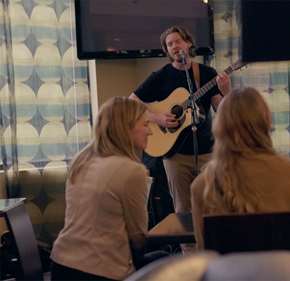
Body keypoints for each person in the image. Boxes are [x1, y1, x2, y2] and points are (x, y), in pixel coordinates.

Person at [190, 87, 290, 249]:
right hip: (285, 272)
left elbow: (205, 254)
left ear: (219, 127)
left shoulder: (201, 186)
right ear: (266, 123)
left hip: (230, 274)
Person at [130, 25, 231, 214]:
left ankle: (211, 244)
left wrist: (226, 92)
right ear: (167, 51)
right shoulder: (160, 76)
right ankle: (187, 246)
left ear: (188, 43)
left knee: (215, 206)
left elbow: (223, 112)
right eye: (169, 44)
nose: (175, 46)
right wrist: (157, 117)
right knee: (183, 209)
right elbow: (131, 101)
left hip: (207, 152)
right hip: (175, 156)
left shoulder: (206, 74)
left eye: (178, 41)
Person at [50, 97, 152, 280]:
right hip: (100, 271)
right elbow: (138, 236)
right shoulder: (132, 171)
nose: (150, 132)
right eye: (145, 124)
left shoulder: (82, 161)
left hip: (60, 265)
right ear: (126, 128)